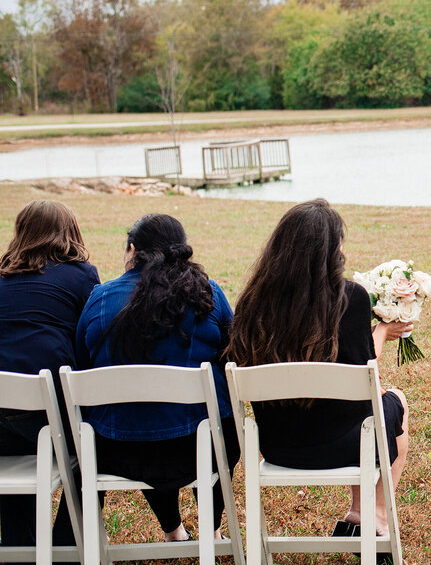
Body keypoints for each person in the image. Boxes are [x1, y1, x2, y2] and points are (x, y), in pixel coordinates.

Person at [225, 199, 410, 537]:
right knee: (393, 400)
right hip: (344, 442)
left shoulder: (251, 303)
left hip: (277, 444)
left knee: (374, 409)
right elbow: (366, 373)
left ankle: (356, 514)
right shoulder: (350, 298)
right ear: (331, 251)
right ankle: (375, 516)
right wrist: (383, 330)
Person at [75, 213, 238, 543]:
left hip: (117, 449)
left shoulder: (100, 299)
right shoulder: (208, 293)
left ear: (132, 250)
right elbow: (233, 355)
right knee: (213, 412)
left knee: (146, 417)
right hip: (201, 448)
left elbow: (82, 362)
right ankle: (213, 529)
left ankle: (173, 530)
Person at [0, 200, 98, 560]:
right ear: (68, 232)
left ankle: (19, 547)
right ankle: (65, 545)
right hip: (49, 408)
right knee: (97, 451)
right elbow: (88, 338)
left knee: (12, 462)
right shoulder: (81, 275)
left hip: (2, 407)